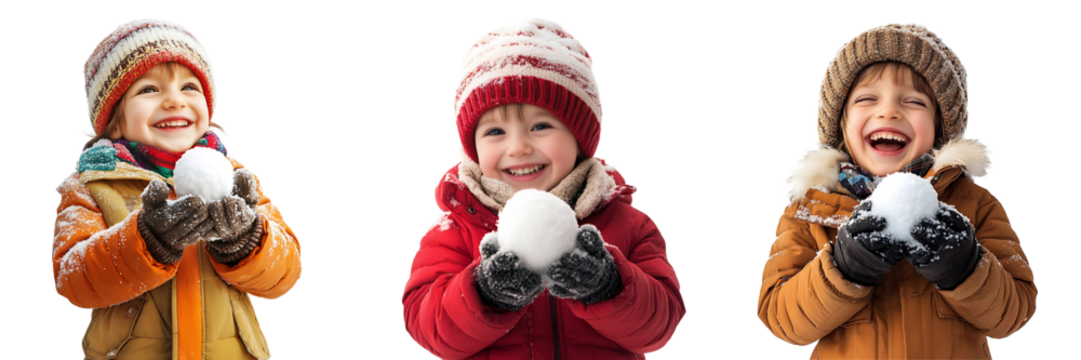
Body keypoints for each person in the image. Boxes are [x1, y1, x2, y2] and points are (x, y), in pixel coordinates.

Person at [399, 17, 688, 359]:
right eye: (495, 132)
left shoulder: (629, 225)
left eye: (540, 126)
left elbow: (660, 327)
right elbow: (427, 328)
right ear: (473, 147)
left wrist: (607, 286)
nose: (518, 147)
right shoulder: (456, 228)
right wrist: (485, 292)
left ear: (579, 139)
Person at [756, 23, 1038, 359]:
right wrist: (843, 269)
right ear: (841, 125)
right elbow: (781, 319)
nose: (888, 111)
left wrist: (965, 268)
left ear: (939, 128)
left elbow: (1014, 313)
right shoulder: (809, 210)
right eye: (867, 98)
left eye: (914, 101)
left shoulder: (976, 205)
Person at [52, 18, 302, 360]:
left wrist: (246, 240)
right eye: (148, 89)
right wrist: (146, 240)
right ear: (114, 118)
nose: (174, 100)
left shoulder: (236, 177)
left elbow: (287, 271)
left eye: (188, 87)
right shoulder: (91, 184)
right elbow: (73, 279)